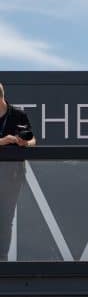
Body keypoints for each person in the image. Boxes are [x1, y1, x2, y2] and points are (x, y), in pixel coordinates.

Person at [0, 82, 36, 262]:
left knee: (6, 217)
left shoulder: (18, 115)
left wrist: (25, 143)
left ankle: (3, 258)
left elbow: (33, 139)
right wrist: (4, 141)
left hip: (12, 175)